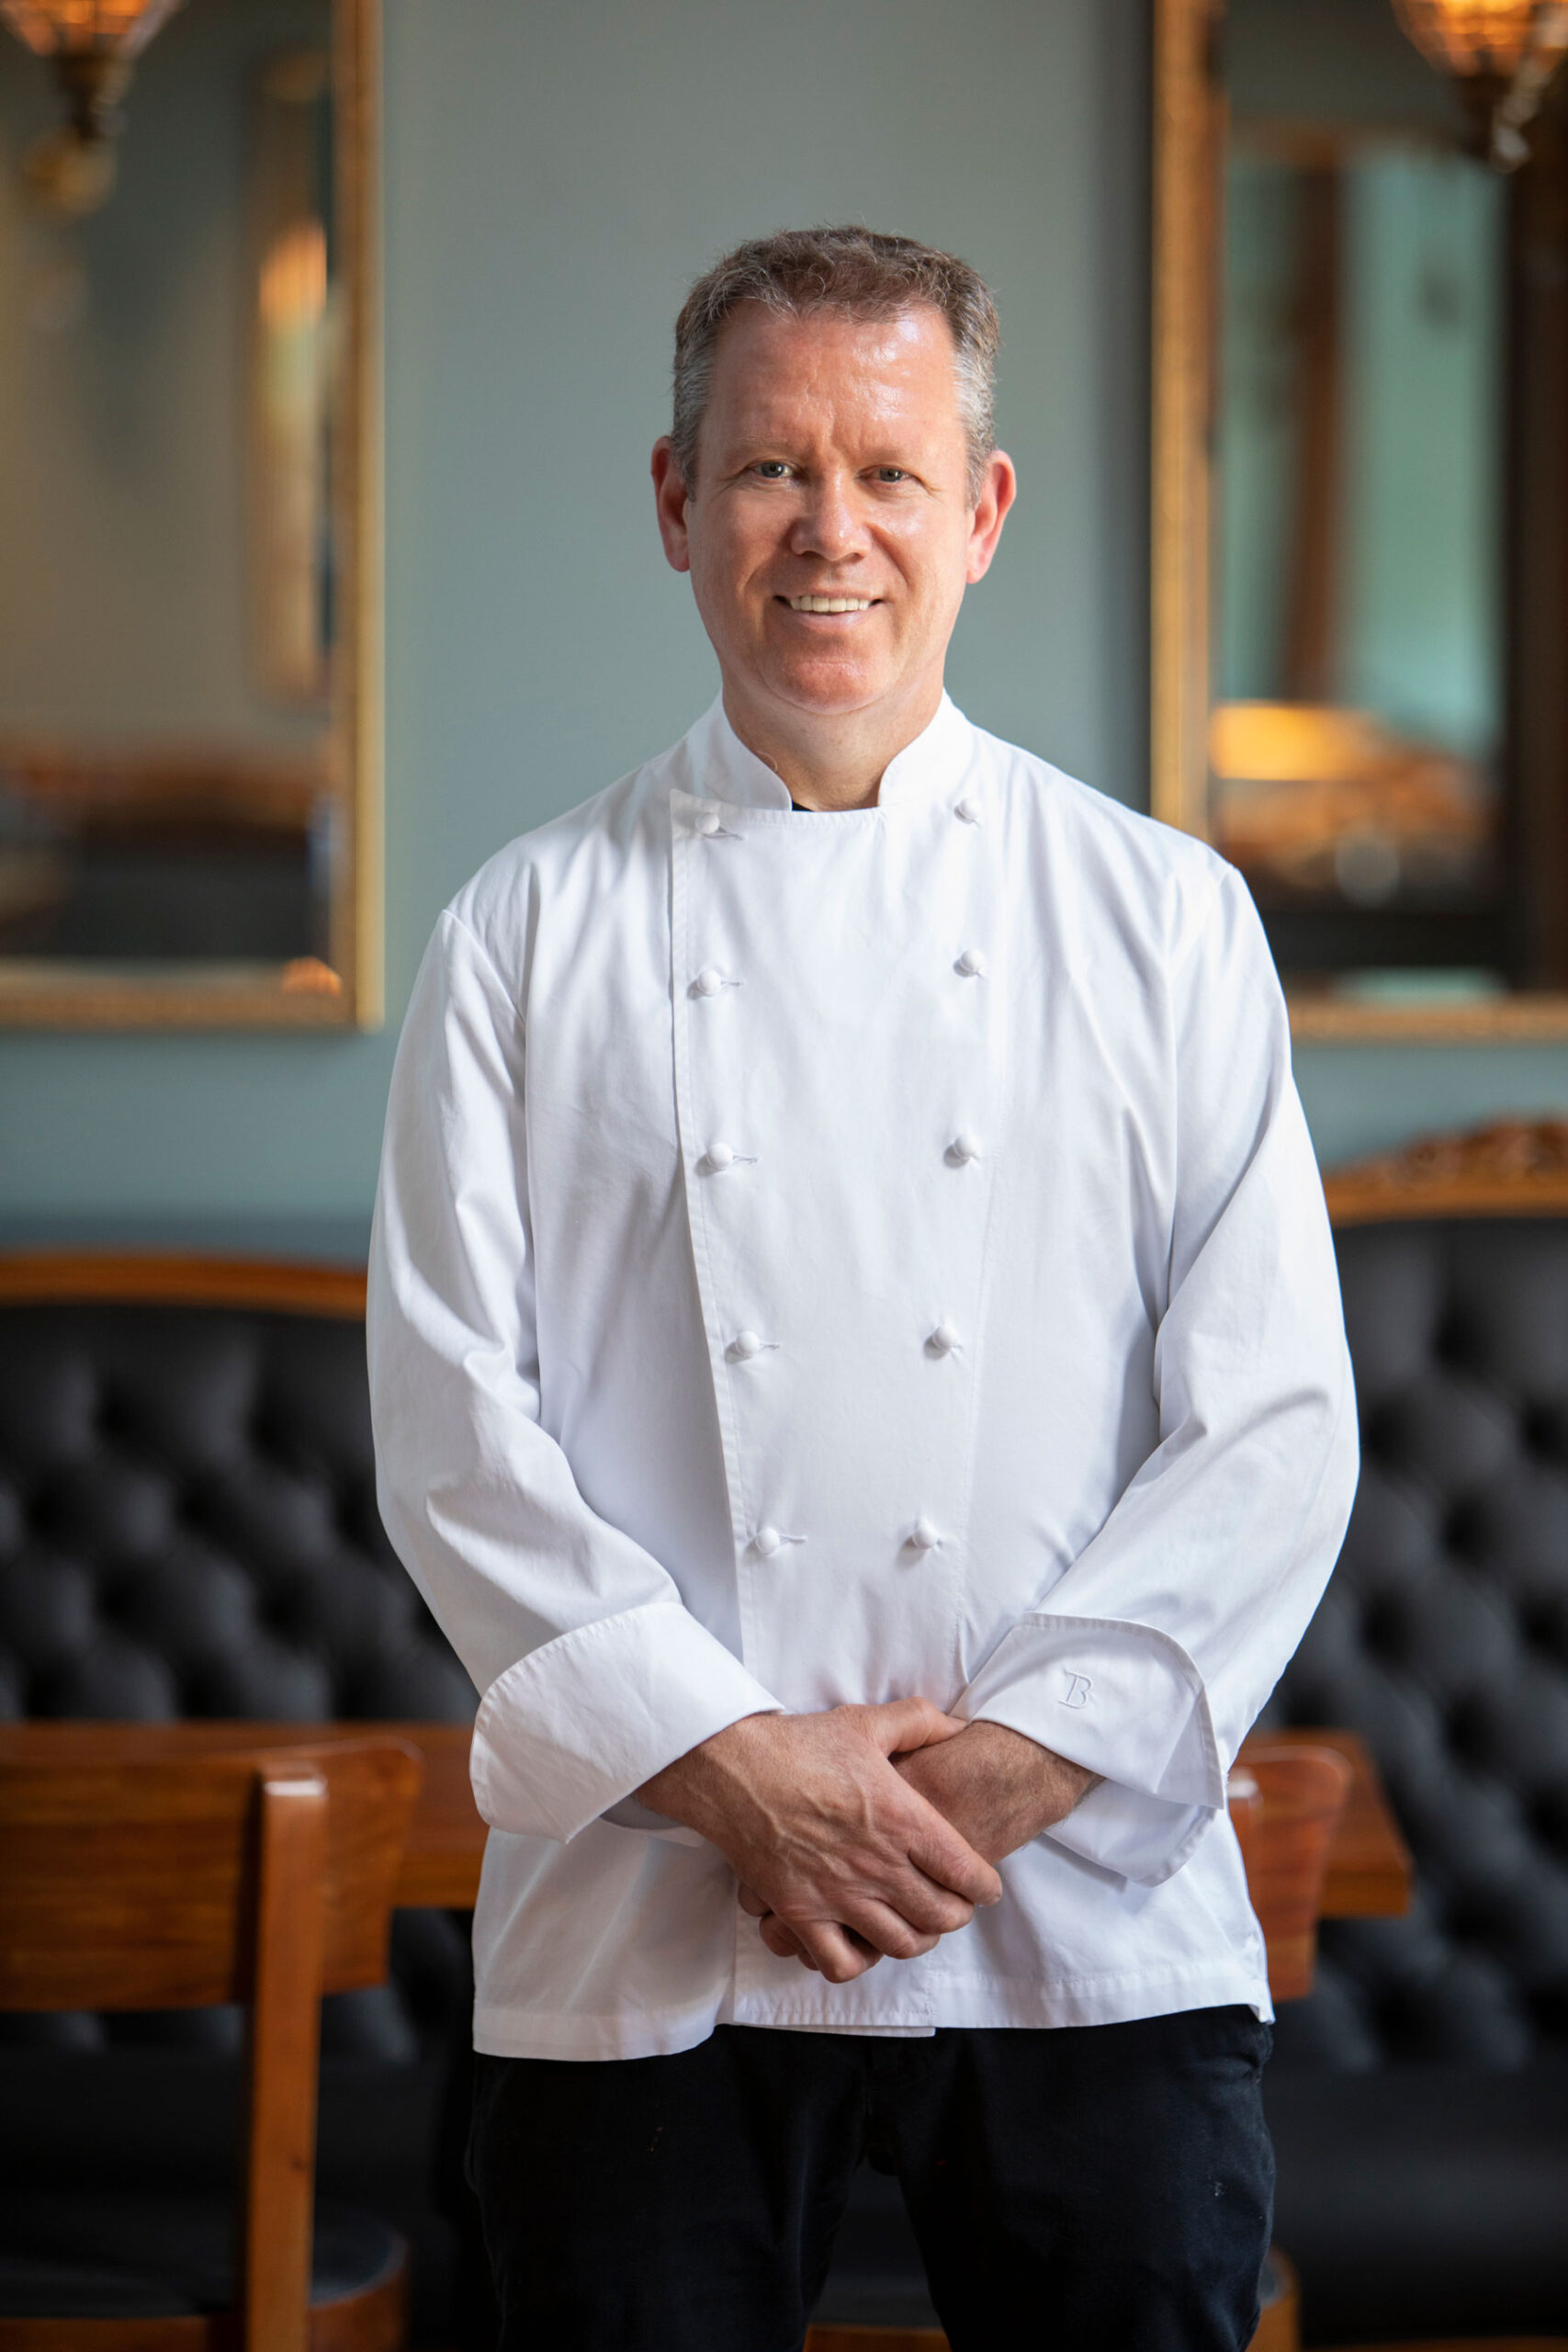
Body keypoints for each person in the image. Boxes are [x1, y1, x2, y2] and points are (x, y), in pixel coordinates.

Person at [367, 224, 1358, 2352]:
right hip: (651, 1908)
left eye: (888, 472)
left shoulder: (1162, 918)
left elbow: (1271, 1428)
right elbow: (454, 1434)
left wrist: (987, 1774)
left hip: (1073, 1903)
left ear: (978, 513)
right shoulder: (520, 934)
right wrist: (737, 1769)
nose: (830, 532)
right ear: (670, 501)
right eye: (764, 469)